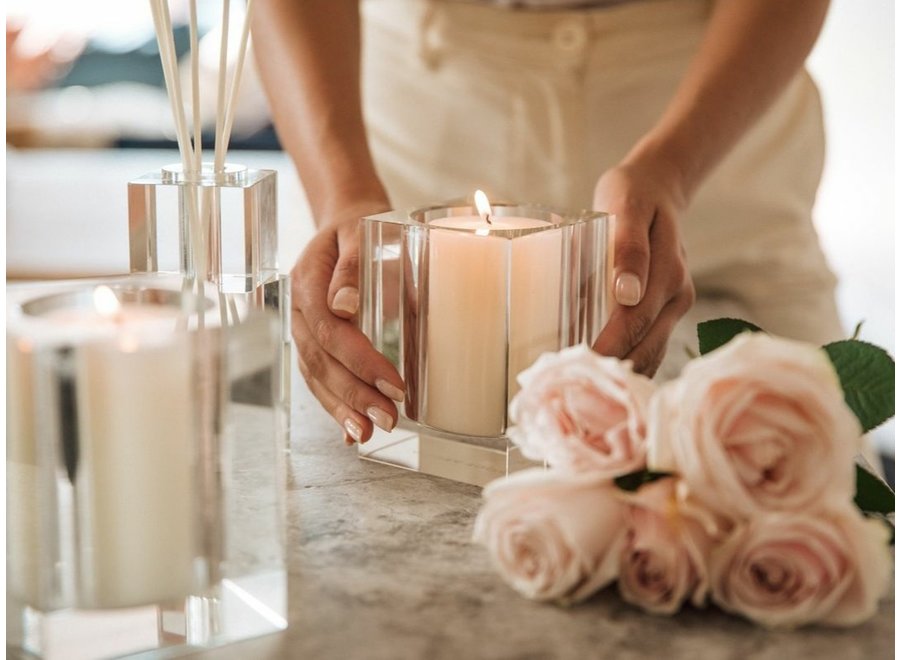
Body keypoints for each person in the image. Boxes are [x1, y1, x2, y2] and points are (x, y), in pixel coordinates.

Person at [251, 0, 840, 445]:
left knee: (796, 482)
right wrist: (343, 196)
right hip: (426, 128)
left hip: (710, 134)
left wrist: (675, 170)